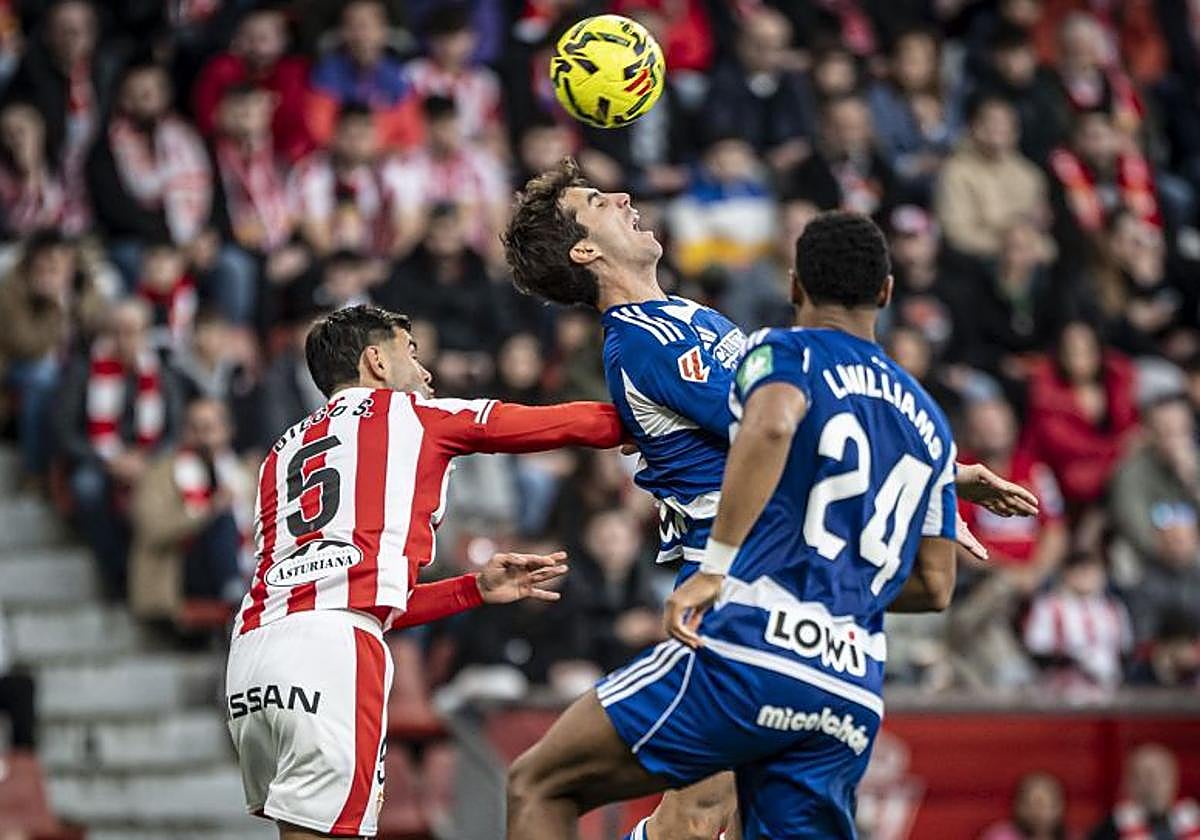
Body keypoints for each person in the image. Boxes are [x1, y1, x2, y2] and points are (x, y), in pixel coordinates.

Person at [501, 163, 1036, 839]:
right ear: (584, 250)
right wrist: (932, 474)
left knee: (679, 814)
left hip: (778, 589)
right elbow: (777, 425)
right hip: (737, 587)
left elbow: (802, 421)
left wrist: (940, 477)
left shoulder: (687, 317)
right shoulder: (643, 341)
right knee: (697, 817)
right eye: (597, 202)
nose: (623, 197)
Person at [225, 304, 630, 839]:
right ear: (376, 361)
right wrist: (644, 420)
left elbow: (351, 590)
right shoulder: (412, 416)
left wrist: (473, 589)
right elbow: (547, 424)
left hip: (254, 653)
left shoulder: (280, 454)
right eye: (411, 354)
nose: (425, 371)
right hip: (333, 652)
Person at [129, 397, 254, 620]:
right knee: (223, 519)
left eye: (209, 428)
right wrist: (209, 511)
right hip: (182, 568)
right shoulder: (160, 473)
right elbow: (154, 530)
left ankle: (238, 592)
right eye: (194, 428)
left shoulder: (245, 473)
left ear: (228, 431)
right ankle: (235, 594)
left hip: (245, 562)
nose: (201, 437)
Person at [1090, 745, 1200, 840]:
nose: (1152, 785)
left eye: (1159, 775)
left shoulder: (1195, 819)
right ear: (1128, 783)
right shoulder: (1110, 828)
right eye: (1143, 777)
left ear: (1174, 779)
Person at [979, 771, 1072, 840]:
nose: (1039, 812)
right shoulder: (1000, 836)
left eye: (1047, 805)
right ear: (1019, 806)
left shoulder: (1070, 837)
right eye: (1034, 805)